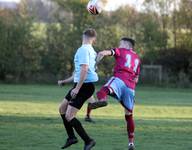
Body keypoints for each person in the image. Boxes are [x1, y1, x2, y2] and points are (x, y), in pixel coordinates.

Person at [89, 37, 141, 150]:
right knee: (129, 115)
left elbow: (103, 53)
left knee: (103, 91)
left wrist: (94, 64)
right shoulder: (137, 58)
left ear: (127, 45)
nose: (119, 45)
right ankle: (131, 143)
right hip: (131, 87)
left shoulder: (121, 50)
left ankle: (102, 101)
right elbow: (136, 78)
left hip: (119, 78)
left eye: (121, 43)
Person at [58, 28, 98, 150]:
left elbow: (84, 70)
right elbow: (79, 72)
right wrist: (65, 82)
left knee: (69, 116)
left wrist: (77, 88)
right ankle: (71, 137)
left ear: (83, 36)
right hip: (83, 85)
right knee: (62, 109)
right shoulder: (92, 51)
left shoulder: (83, 50)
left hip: (83, 86)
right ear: (94, 39)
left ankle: (88, 141)